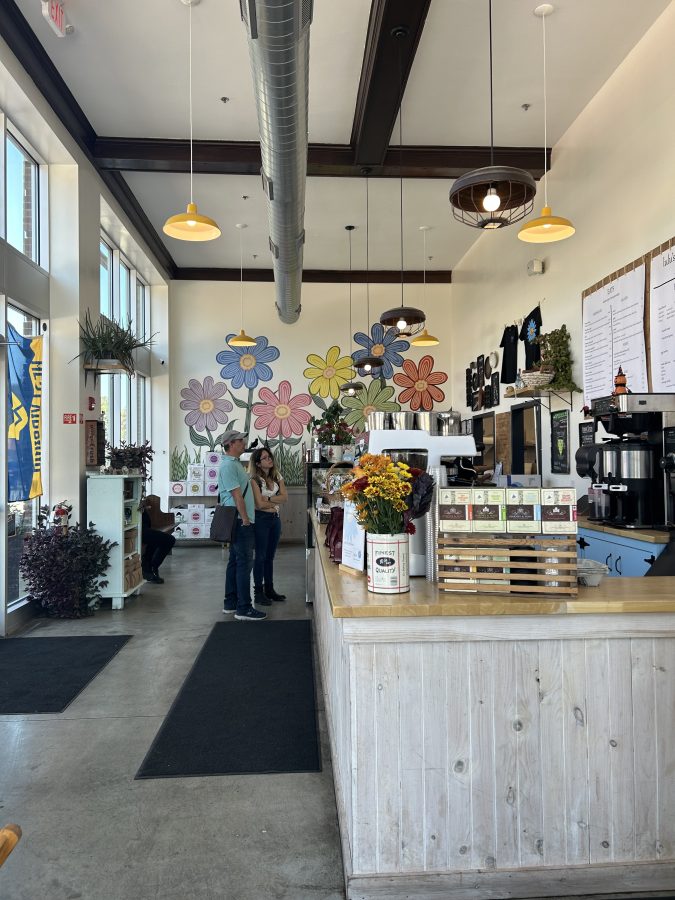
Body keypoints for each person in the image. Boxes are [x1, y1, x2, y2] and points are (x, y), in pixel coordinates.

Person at [218, 430, 266, 621]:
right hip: (240, 521)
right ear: (230, 444)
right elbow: (237, 496)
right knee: (245, 564)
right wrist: (245, 518)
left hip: (238, 520)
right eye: (240, 440)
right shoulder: (229, 466)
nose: (243, 442)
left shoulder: (235, 464)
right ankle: (244, 608)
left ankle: (231, 603)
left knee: (235, 562)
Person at [248, 447, 288, 605]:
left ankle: (269, 589)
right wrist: (272, 501)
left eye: (269, 456)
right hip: (261, 520)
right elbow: (258, 504)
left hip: (274, 519)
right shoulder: (254, 480)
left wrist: (269, 501)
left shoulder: (277, 476)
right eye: (265, 458)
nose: (269, 459)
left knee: (270, 557)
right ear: (258, 463)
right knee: (260, 556)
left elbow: (285, 497)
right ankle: (258, 592)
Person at [141, 506, 176, 584]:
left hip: (144, 529)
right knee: (169, 540)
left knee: (157, 540)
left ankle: (149, 566)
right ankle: (151, 567)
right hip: (139, 530)